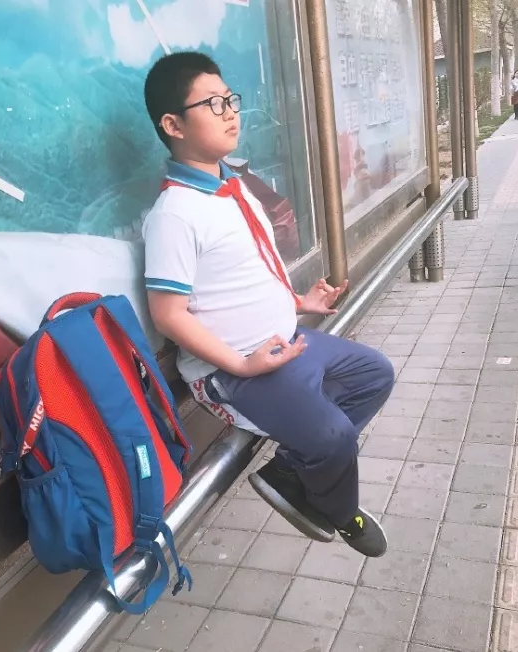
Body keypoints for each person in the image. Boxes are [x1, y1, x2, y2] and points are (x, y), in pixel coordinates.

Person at [141, 52, 395, 558]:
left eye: (230, 99)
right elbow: (167, 314)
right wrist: (241, 365)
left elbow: (246, 272)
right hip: (234, 371)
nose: (231, 113)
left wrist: (297, 300)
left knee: (374, 375)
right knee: (333, 436)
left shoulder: (232, 188)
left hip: (284, 343)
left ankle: (290, 471)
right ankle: (338, 508)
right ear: (173, 125)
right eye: (213, 104)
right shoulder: (175, 215)